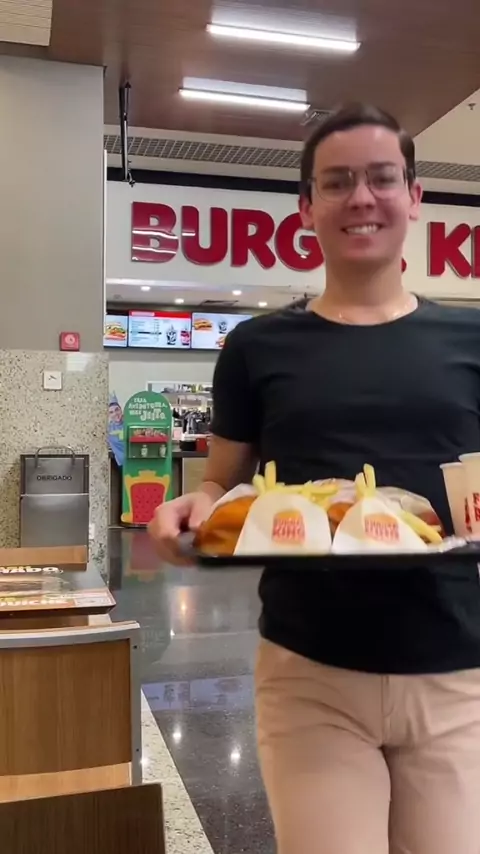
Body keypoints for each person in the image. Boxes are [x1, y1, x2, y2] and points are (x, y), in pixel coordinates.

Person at [148, 103, 480, 854]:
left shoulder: (470, 339)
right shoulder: (257, 346)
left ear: (415, 197)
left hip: (457, 671)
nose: (362, 198)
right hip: (310, 673)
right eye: (337, 182)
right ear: (306, 207)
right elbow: (220, 486)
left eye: (382, 179)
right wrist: (189, 511)